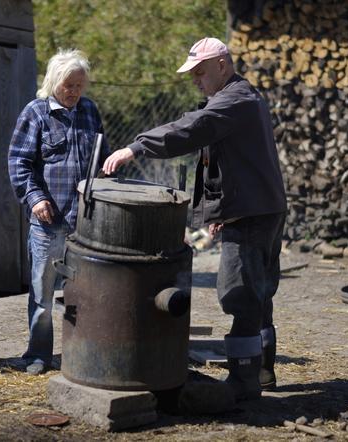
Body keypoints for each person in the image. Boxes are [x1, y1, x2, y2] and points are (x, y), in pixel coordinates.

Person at [103, 37, 287, 400]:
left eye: (200, 72)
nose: (195, 80)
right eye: (192, 74)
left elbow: (190, 129)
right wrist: (221, 212)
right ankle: (262, 373)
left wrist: (135, 147)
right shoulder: (237, 99)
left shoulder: (234, 100)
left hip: (252, 214)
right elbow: (230, 163)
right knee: (259, 295)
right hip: (257, 207)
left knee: (240, 294)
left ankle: (243, 382)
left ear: (222, 64)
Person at [8, 49, 109, 375]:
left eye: (79, 85)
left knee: (83, 292)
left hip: (85, 222)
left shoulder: (90, 111)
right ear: (54, 81)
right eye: (69, 85)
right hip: (48, 222)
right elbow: (19, 162)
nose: (74, 91)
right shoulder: (36, 113)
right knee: (43, 293)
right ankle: (38, 355)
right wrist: (35, 198)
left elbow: (101, 158)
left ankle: (80, 353)